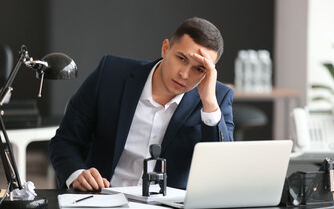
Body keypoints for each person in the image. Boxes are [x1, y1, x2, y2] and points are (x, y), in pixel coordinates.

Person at [49, 17, 234, 191]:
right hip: (103, 199)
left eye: (199, 68)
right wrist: (77, 174)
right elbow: (65, 141)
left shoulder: (217, 98)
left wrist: (209, 102)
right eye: (182, 58)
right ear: (165, 49)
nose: (184, 74)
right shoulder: (110, 74)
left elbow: (223, 169)